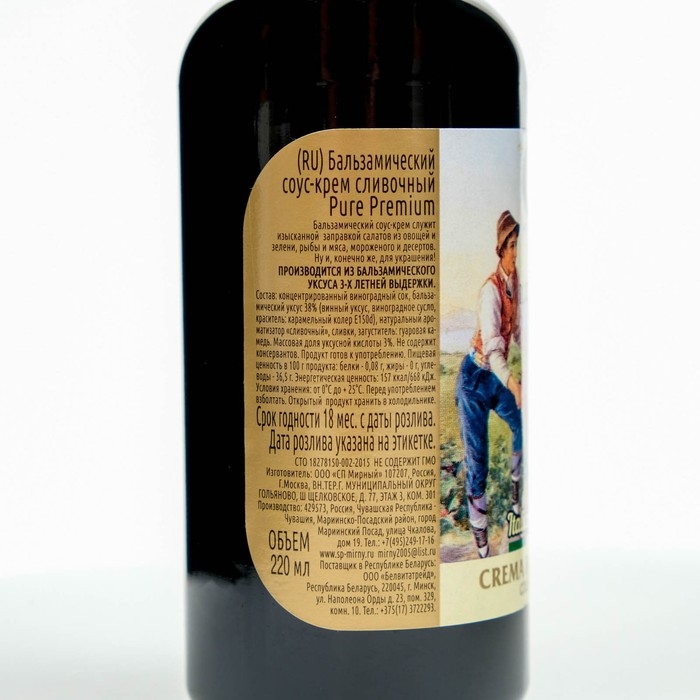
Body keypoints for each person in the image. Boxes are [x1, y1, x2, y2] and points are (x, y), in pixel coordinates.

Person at [454, 210, 523, 558]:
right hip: (475, 380)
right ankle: (480, 538)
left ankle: (516, 494)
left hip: (495, 376)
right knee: (477, 462)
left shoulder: (517, 285)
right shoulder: (490, 291)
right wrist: (514, 383)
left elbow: (521, 331)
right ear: (501, 249)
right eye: (511, 245)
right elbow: (494, 349)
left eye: (518, 243)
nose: (516, 251)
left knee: (522, 421)